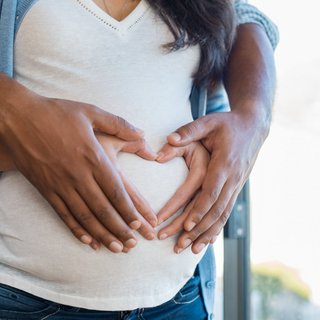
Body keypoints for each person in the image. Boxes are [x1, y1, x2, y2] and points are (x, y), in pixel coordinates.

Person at [0, 0, 278, 319]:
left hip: (181, 296)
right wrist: (17, 110)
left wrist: (254, 118)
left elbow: (245, 18)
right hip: (25, 298)